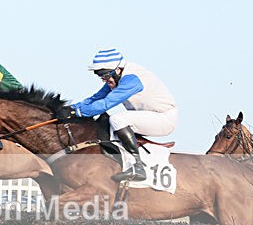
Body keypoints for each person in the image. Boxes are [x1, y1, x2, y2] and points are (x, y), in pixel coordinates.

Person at [57, 48, 178, 182]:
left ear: (118, 69)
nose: (104, 80)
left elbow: (106, 103)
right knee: (107, 122)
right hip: (148, 116)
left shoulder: (131, 79)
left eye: (105, 75)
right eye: (100, 76)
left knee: (117, 119)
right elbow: (96, 98)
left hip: (164, 119)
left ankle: (138, 167)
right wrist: (72, 108)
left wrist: (77, 112)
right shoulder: (116, 77)